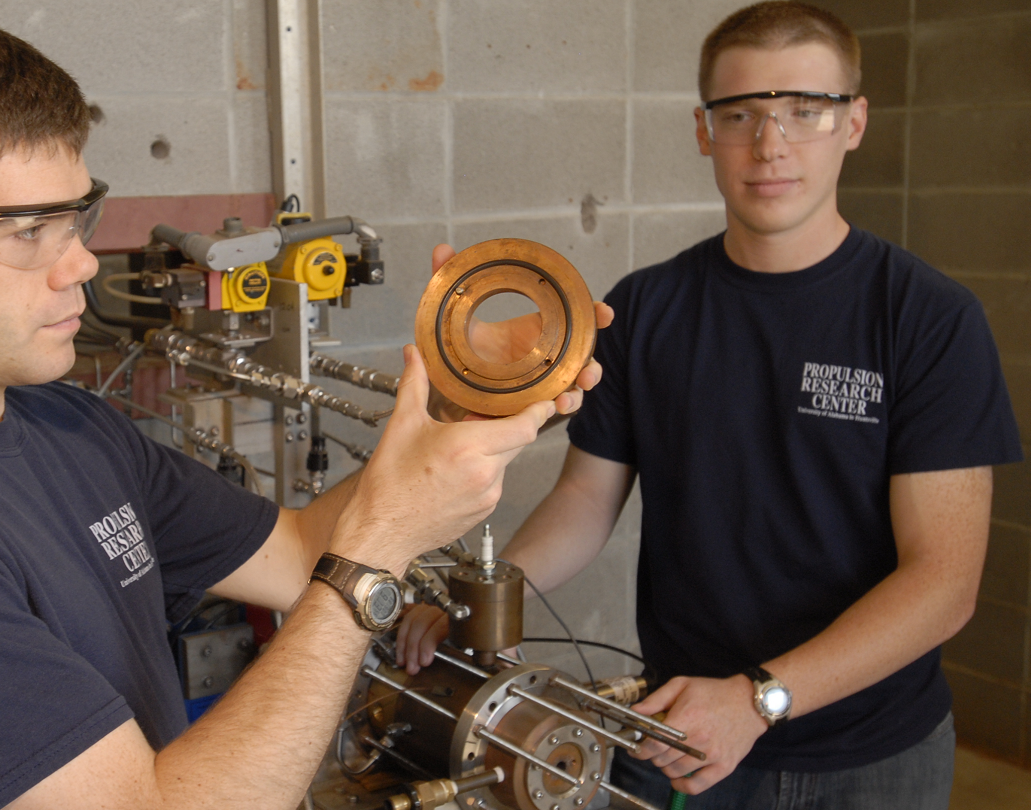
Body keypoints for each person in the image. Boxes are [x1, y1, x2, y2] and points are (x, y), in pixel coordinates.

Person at [0, 11, 609, 810]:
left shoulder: (69, 426)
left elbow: (301, 553)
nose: (79, 263)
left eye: (78, 218)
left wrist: (465, 395)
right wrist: (378, 553)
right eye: (28, 231)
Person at [397, 2, 1022, 808]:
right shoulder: (649, 308)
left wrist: (761, 697)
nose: (771, 144)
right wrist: (490, 596)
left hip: (873, 756)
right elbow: (587, 499)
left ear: (855, 122)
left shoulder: (927, 318)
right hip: (688, 742)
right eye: (741, 114)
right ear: (704, 130)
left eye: (806, 110)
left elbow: (943, 582)